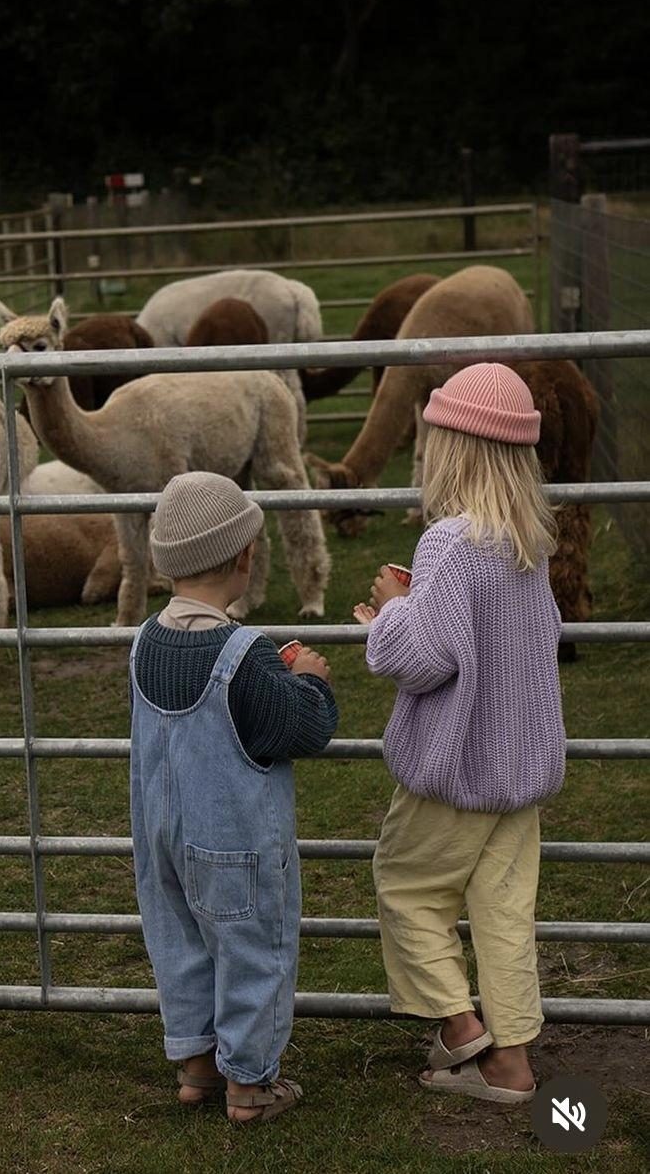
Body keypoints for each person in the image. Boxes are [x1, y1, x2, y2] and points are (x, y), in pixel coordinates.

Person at [354, 363, 565, 1105]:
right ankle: (511, 1062)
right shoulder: (527, 542)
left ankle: (456, 1022)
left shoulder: (447, 543)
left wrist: (386, 612)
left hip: (456, 771)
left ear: (451, 446)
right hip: (516, 774)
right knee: (504, 912)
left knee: (407, 888)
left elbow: (424, 657)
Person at [129, 471, 338, 1124]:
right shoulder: (243, 653)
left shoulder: (146, 640)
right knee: (251, 951)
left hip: (161, 835)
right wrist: (306, 682)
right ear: (244, 555)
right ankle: (249, 1082)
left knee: (181, 942)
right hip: (234, 844)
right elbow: (298, 730)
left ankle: (196, 1064)